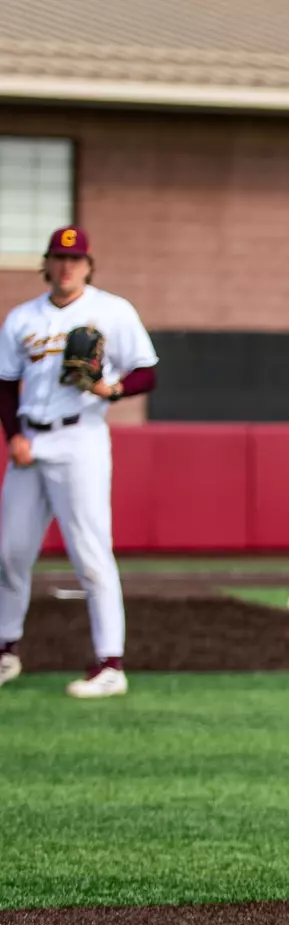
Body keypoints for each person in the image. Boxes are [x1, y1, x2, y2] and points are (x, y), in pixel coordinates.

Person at [0, 226, 157, 699]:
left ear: (88, 266)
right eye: (58, 258)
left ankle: (110, 663)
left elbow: (147, 371)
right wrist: (13, 437)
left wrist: (112, 388)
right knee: (10, 552)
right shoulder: (22, 318)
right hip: (31, 440)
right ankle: (6, 650)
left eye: (75, 259)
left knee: (91, 553)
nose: (67, 266)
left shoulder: (112, 310)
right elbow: (5, 382)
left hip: (81, 438)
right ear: (46, 264)